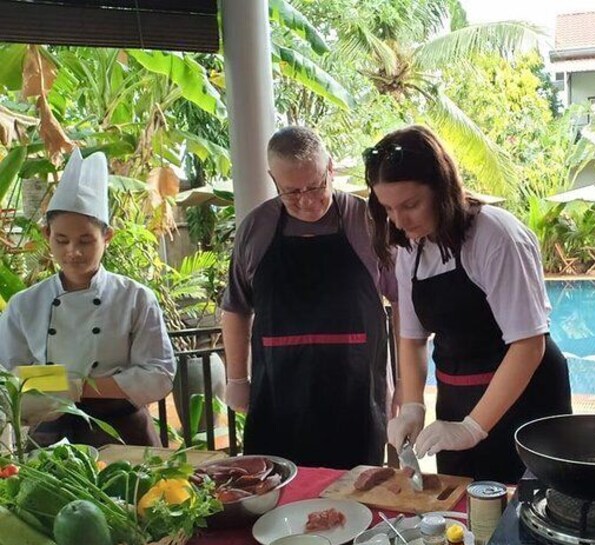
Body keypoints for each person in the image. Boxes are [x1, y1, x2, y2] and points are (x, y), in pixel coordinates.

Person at [366, 125, 572, 483]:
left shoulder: (495, 236)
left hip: (525, 400)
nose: (399, 221)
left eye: (411, 205)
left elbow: (528, 343)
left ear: (442, 189)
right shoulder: (410, 247)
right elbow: (413, 338)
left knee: (522, 512)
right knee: (461, 512)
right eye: (388, 208)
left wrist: (473, 428)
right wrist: (414, 405)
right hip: (456, 396)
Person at [221, 126, 397, 469]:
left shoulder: (366, 222)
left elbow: (403, 302)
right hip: (279, 397)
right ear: (274, 181)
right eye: (292, 192)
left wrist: (403, 384)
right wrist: (237, 380)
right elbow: (236, 308)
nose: (307, 200)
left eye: (316, 186)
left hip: (356, 396)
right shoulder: (256, 228)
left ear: (330, 168)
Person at [0, 148, 175, 447]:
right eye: (61, 240)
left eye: (85, 240)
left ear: (107, 237)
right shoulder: (24, 304)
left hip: (123, 435)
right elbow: (8, 378)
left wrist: (79, 387)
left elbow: (159, 374)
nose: (73, 252)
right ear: (46, 235)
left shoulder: (135, 298)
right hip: (50, 436)